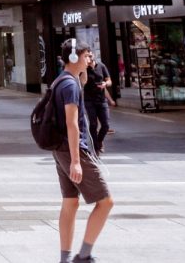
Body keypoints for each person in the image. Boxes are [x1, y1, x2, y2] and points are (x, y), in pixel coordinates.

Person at [52, 41, 114, 263]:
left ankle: (65, 258)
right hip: (73, 149)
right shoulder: (69, 86)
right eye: (86, 56)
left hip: (60, 149)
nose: (90, 60)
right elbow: (72, 123)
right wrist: (76, 161)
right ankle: (84, 255)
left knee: (71, 202)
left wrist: (83, 77)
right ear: (74, 57)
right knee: (106, 202)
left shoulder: (64, 81)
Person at [83, 54, 112, 154]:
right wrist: (85, 68)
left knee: (106, 125)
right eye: (87, 56)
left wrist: (105, 84)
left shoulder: (101, 66)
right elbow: (82, 82)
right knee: (93, 124)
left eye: (90, 56)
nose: (89, 58)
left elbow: (109, 80)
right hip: (89, 100)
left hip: (101, 99)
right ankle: (96, 146)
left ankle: (99, 141)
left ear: (93, 56)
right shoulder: (84, 69)